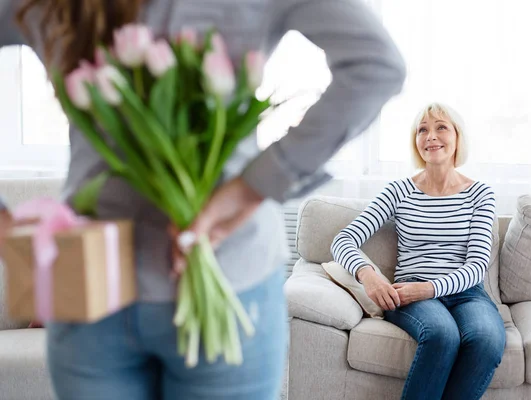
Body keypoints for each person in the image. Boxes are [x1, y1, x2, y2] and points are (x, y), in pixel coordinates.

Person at [0, 0, 406, 399]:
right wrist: (254, 187)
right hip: (224, 272)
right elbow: (375, 65)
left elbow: (375, 66)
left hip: (101, 271)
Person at [331, 103, 505, 400]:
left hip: (466, 293)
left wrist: (430, 289)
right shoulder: (398, 191)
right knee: (442, 335)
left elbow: (477, 265)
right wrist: (368, 275)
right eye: (422, 129)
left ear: (457, 138)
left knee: (487, 341)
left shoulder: (480, 194)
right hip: (409, 293)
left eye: (441, 127)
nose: (430, 136)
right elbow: (343, 240)